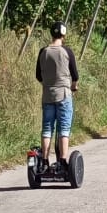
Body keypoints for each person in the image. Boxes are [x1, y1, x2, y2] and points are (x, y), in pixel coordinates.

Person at [35, 21, 79, 173]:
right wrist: (73, 85)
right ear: (64, 34)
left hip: (47, 95)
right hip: (64, 94)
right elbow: (75, 74)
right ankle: (62, 161)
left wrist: (48, 84)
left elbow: (38, 75)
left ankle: (45, 161)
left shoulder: (43, 51)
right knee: (63, 129)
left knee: (47, 128)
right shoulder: (67, 51)